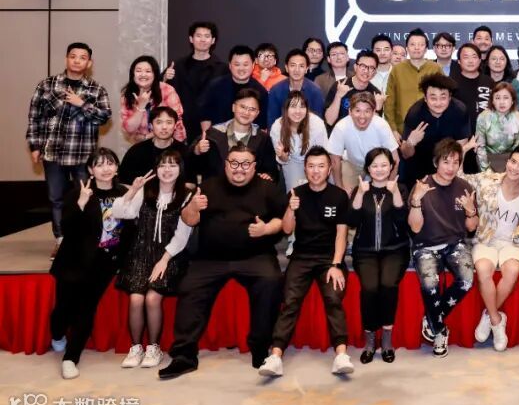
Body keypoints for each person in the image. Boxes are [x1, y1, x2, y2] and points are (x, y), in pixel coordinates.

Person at [159, 143, 287, 379]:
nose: (239, 169)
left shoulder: (268, 188)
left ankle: (260, 348)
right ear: (226, 165)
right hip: (211, 258)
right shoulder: (208, 186)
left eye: (245, 164)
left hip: (255, 256)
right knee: (190, 287)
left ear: (254, 166)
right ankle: (184, 356)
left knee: (271, 282)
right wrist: (193, 207)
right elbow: (188, 220)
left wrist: (267, 229)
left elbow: (283, 220)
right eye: (234, 163)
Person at [258, 147, 353, 377]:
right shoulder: (295, 193)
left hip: (329, 258)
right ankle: (275, 356)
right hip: (302, 257)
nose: (315, 171)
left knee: (333, 298)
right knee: (290, 301)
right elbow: (287, 229)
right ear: (305, 168)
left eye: (321, 166)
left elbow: (341, 235)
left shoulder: (339, 196)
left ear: (329, 169)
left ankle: (341, 355)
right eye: (311, 166)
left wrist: (336, 265)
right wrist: (291, 209)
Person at [27, 42, 112, 255]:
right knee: (56, 199)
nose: (77, 61)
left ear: (89, 63)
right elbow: (34, 117)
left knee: (86, 197)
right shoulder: (47, 85)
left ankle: (84, 240)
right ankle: (61, 240)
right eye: (73, 56)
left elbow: (104, 117)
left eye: (82, 57)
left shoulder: (96, 89)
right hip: (52, 153)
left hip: (83, 155)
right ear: (66, 59)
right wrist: (34, 145)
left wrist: (81, 103)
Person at [48, 148, 127, 379]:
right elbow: (66, 228)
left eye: (110, 163)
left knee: (86, 310)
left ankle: (71, 358)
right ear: (91, 170)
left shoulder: (123, 193)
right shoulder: (79, 192)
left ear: (117, 167)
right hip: (73, 261)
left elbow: (130, 228)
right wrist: (80, 204)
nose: (105, 168)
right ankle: (57, 335)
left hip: (104, 262)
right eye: (99, 164)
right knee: (63, 309)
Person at [112, 150, 193, 369]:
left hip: (171, 255)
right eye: (162, 165)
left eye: (172, 165)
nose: (167, 170)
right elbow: (120, 212)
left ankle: (154, 347)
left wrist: (164, 259)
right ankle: (136, 347)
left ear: (180, 169)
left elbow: (182, 236)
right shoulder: (146, 190)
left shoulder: (186, 195)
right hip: (141, 252)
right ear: (156, 169)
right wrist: (132, 191)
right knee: (136, 299)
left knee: (152, 298)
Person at [407, 139, 478, 358]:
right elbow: (415, 228)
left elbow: (471, 228)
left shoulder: (465, 187)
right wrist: (416, 201)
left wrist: (470, 211)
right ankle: (439, 330)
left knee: (467, 280)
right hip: (425, 245)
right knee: (430, 284)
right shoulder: (422, 186)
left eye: (455, 162)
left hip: (454, 243)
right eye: (446, 162)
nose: (450, 167)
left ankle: (432, 320)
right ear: (436, 162)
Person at [464, 146, 519, 352]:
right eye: (513, 162)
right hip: (486, 239)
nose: (514, 168)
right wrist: (464, 149)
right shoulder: (487, 181)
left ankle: (488, 316)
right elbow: (459, 176)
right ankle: (497, 320)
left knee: (512, 271)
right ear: (507, 162)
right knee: (483, 270)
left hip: (514, 243)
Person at [347, 148, 409, 364]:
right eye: (374, 165)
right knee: (370, 288)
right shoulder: (361, 189)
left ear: (391, 167)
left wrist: (396, 193)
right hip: (365, 252)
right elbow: (352, 221)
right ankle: (370, 340)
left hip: (395, 250)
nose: (379, 169)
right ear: (368, 169)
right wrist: (360, 194)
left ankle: (387, 341)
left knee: (388, 285)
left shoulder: (400, 188)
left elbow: (403, 221)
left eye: (384, 165)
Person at [190, 88, 279, 182]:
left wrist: (268, 175)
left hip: (250, 189)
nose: (246, 113)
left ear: (257, 113)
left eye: (252, 109)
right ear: (233, 107)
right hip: (216, 187)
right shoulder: (213, 134)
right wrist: (197, 150)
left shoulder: (263, 139)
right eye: (243, 107)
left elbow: (272, 170)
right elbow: (191, 165)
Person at [399, 73, 471, 184]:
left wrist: (457, 178)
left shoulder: (460, 111)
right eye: (433, 98)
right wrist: (410, 142)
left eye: (443, 97)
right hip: (419, 165)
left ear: (450, 97)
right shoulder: (415, 113)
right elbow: (406, 154)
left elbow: (460, 150)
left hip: (448, 163)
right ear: (425, 98)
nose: (438, 103)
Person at [165, 21, 228, 141]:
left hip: (213, 126)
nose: (202, 40)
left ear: (213, 40)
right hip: (183, 126)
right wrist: (165, 78)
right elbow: (162, 91)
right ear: (191, 39)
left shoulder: (223, 69)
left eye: (207, 36)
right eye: (198, 35)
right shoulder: (177, 66)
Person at [327, 91, 399, 190]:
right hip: (353, 165)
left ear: (373, 112)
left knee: (379, 195)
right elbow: (335, 160)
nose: (362, 116)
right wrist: (340, 189)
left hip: (377, 166)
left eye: (367, 111)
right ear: (350, 112)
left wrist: (389, 187)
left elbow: (395, 159)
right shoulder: (341, 126)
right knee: (338, 187)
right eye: (357, 111)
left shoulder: (381, 125)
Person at [117, 106, 193, 187]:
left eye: (169, 122)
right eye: (159, 122)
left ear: (175, 126)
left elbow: (191, 183)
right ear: (151, 126)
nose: (164, 127)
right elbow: (123, 183)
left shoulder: (184, 151)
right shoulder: (136, 151)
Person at [384, 28, 442, 135]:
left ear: (426, 49)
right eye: (412, 44)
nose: (416, 48)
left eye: (421, 44)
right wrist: (393, 130)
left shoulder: (435, 68)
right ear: (407, 48)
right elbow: (389, 102)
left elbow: (445, 98)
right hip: (403, 130)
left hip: (433, 129)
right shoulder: (397, 70)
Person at [198, 45, 269, 130]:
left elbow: (262, 125)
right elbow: (205, 116)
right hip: (218, 135)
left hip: (249, 137)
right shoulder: (215, 86)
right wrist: (206, 135)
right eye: (237, 64)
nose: (241, 68)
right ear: (230, 65)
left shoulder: (261, 92)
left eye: (245, 64)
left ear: (253, 65)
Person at [270, 91, 330, 192]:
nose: (298, 111)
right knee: (295, 192)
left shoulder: (317, 123)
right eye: (293, 106)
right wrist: (282, 155)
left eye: (302, 106)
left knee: (322, 186)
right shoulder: (277, 127)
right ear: (286, 109)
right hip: (292, 161)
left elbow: (323, 152)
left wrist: (314, 168)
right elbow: (284, 159)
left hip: (315, 160)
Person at [120, 55, 187, 143]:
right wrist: (141, 107)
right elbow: (128, 129)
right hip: (142, 145)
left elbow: (174, 122)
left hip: (171, 142)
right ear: (133, 74)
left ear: (155, 74)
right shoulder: (128, 94)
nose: (143, 74)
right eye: (138, 71)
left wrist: (146, 137)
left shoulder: (167, 90)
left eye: (148, 71)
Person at [474, 82, 519, 172]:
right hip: (487, 158)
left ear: (512, 100)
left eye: (506, 98)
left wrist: (511, 168)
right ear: (493, 101)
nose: (502, 102)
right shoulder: (483, 117)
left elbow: (518, 146)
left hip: (510, 160)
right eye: (497, 98)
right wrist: (487, 171)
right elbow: (480, 147)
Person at [323, 50, 383, 128]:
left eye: (371, 68)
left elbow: (376, 128)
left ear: (375, 72)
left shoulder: (376, 95)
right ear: (355, 67)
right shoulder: (340, 86)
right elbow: (329, 121)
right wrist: (338, 96)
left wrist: (377, 109)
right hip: (340, 133)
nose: (366, 71)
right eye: (363, 66)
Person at [267, 48, 325, 127]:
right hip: (282, 132)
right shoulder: (276, 90)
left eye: (301, 66)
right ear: (286, 68)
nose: (296, 70)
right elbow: (272, 121)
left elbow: (317, 121)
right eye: (293, 65)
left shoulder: (315, 91)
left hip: (308, 132)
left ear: (306, 69)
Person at [454, 43, 495, 131]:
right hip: (460, 133)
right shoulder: (452, 83)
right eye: (466, 57)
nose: (470, 61)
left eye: (474, 57)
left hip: (486, 132)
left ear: (480, 60)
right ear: (459, 61)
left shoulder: (489, 81)